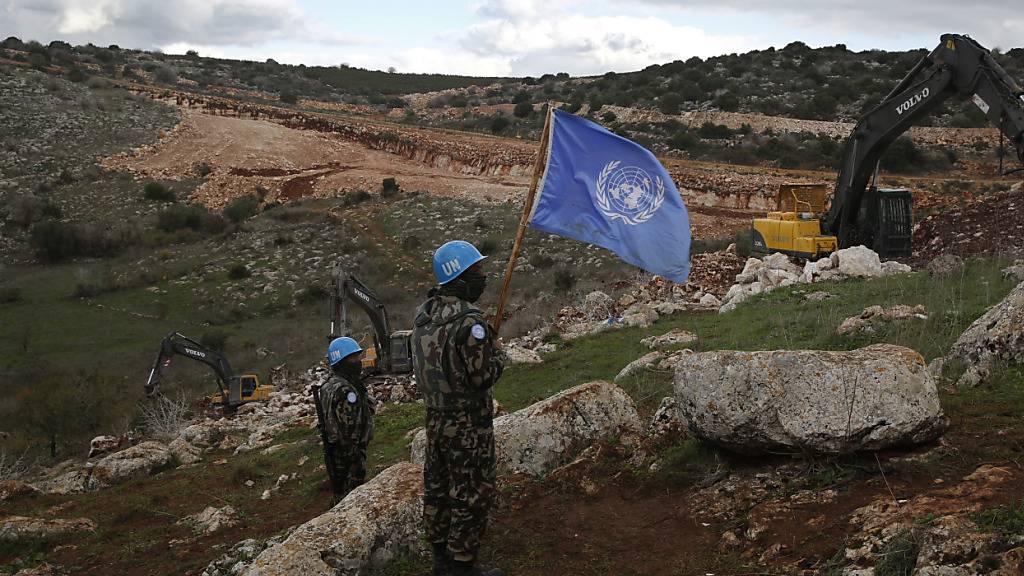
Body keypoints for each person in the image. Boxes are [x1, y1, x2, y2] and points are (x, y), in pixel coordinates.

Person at [412, 240, 505, 576]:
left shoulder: (423, 317)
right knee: (471, 491)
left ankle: (441, 559)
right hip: (468, 424)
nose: (482, 277)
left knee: (437, 487)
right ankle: (462, 565)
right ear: (460, 276)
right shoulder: (470, 323)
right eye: (477, 270)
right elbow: (481, 378)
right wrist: (499, 353)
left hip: (435, 418)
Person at [317, 336, 375, 504]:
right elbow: (350, 428)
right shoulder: (345, 389)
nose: (358, 361)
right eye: (353, 358)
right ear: (342, 361)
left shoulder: (329, 385)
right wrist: (355, 453)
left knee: (340, 488)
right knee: (350, 496)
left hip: (335, 449)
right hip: (348, 453)